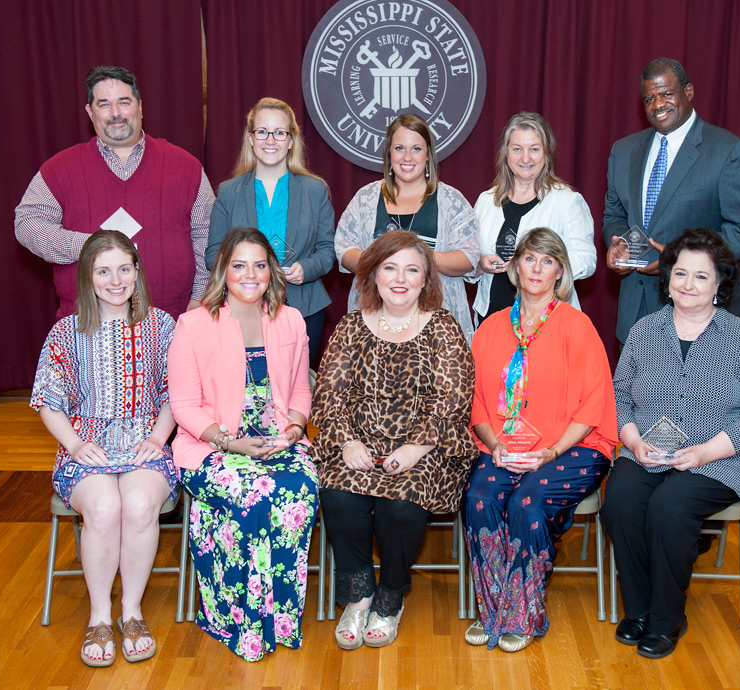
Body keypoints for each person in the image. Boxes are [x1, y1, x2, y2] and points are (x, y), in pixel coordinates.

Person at [600, 228, 740, 659]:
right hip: (648, 450)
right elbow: (620, 394)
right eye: (680, 273)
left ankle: (666, 617)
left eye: (701, 276)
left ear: (719, 284)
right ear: (668, 278)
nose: (688, 284)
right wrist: (634, 442)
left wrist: (701, 452)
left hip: (716, 459)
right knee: (620, 502)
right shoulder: (645, 330)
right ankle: (638, 608)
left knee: (669, 507)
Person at [312, 230, 477, 650]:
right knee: (338, 497)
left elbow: (453, 398)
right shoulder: (351, 326)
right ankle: (359, 592)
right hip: (358, 444)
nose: (399, 279)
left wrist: (414, 448)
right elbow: (329, 395)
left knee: (400, 507)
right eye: (390, 268)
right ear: (373, 275)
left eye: (411, 269)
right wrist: (348, 443)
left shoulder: (442, 327)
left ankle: (390, 597)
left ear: (426, 279)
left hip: (428, 449)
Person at [462, 227, 617, 653]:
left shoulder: (577, 325)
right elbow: (474, 400)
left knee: (526, 501)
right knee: (480, 494)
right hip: (503, 446)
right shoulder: (491, 328)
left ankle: (524, 613)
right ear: (514, 267)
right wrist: (496, 446)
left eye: (547, 261)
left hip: (570, 448)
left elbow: (593, 403)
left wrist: (548, 451)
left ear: (560, 272)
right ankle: (492, 608)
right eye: (529, 258)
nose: (537, 268)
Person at [168, 227, 318, 662]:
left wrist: (294, 427)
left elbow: (300, 392)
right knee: (255, 495)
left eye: (259, 264)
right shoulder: (195, 323)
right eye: (239, 265)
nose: (249, 274)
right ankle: (241, 623)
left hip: (278, 441)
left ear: (271, 271)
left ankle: (281, 621)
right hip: (212, 447)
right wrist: (231, 443)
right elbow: (183, 405)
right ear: (223, 271)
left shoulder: (289, 319)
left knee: (299, 491)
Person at [31, 230, 178, 667]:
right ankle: (99, 616)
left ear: (137, 272)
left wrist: (157, 436)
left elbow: (177, 393)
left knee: (135, 505)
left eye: (124, 269)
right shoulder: (65, 332)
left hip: (146, 443)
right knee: (102, 509)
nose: (115, 280)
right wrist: (75, 445)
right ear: (87, 276)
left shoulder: (163, 326)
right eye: (103, 270)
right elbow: (47, 400)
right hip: (86, 445)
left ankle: (130, 611)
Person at [15, 65, 214, 321]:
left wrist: (198, 299)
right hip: (87, 325)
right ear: (90, 111)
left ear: (140, 106)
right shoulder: (58, 169)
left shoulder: (187, 166)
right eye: (104, 104)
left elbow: (207, 235)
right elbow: (27, 225)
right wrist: (89, 246)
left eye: (123, 102)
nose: (116, 113)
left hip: (172, 323)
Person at [602, 57, 740, 345]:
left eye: (666, 94)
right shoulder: (624, 150)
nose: (657, 105)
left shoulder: (729, 150)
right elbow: (614, 213)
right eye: (649, 98)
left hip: (704, 315)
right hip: (637, 312)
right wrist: (617, 244)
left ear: (688, 92)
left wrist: (681, 258)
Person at [206, 97, 336, 363]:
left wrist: (306, 268)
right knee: (247, 388)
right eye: (262, 131)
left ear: (291, 140)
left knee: (295, 386)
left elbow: (327, 250)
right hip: (242, 306)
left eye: (279, 132)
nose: (270, 140)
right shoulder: (229, 192)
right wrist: (244, 271)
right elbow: (212, 254)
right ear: (251, 138)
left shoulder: (315, 190)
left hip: (304, 305)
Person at [335, 113, 480, 342]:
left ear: (428, 154)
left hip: (436, 327)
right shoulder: (366, 198)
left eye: (416, 149)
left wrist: (417, 259)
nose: (407, 157)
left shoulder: (452, 200)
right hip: (375, 323)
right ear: (389, 153)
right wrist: (384, 262)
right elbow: (344, 249)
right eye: (399, 148)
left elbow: (469, 257)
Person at [471, 112, 596, 322]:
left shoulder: (566, 201)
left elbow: (586, 260)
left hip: (546, 320)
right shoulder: (485, 201)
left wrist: (538, 266)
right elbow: (470, 257)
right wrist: (480, 264)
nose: (525, 158)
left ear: (547, 154)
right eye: (517, 149)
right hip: (491, 318)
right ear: (506, 153)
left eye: (534, 149)